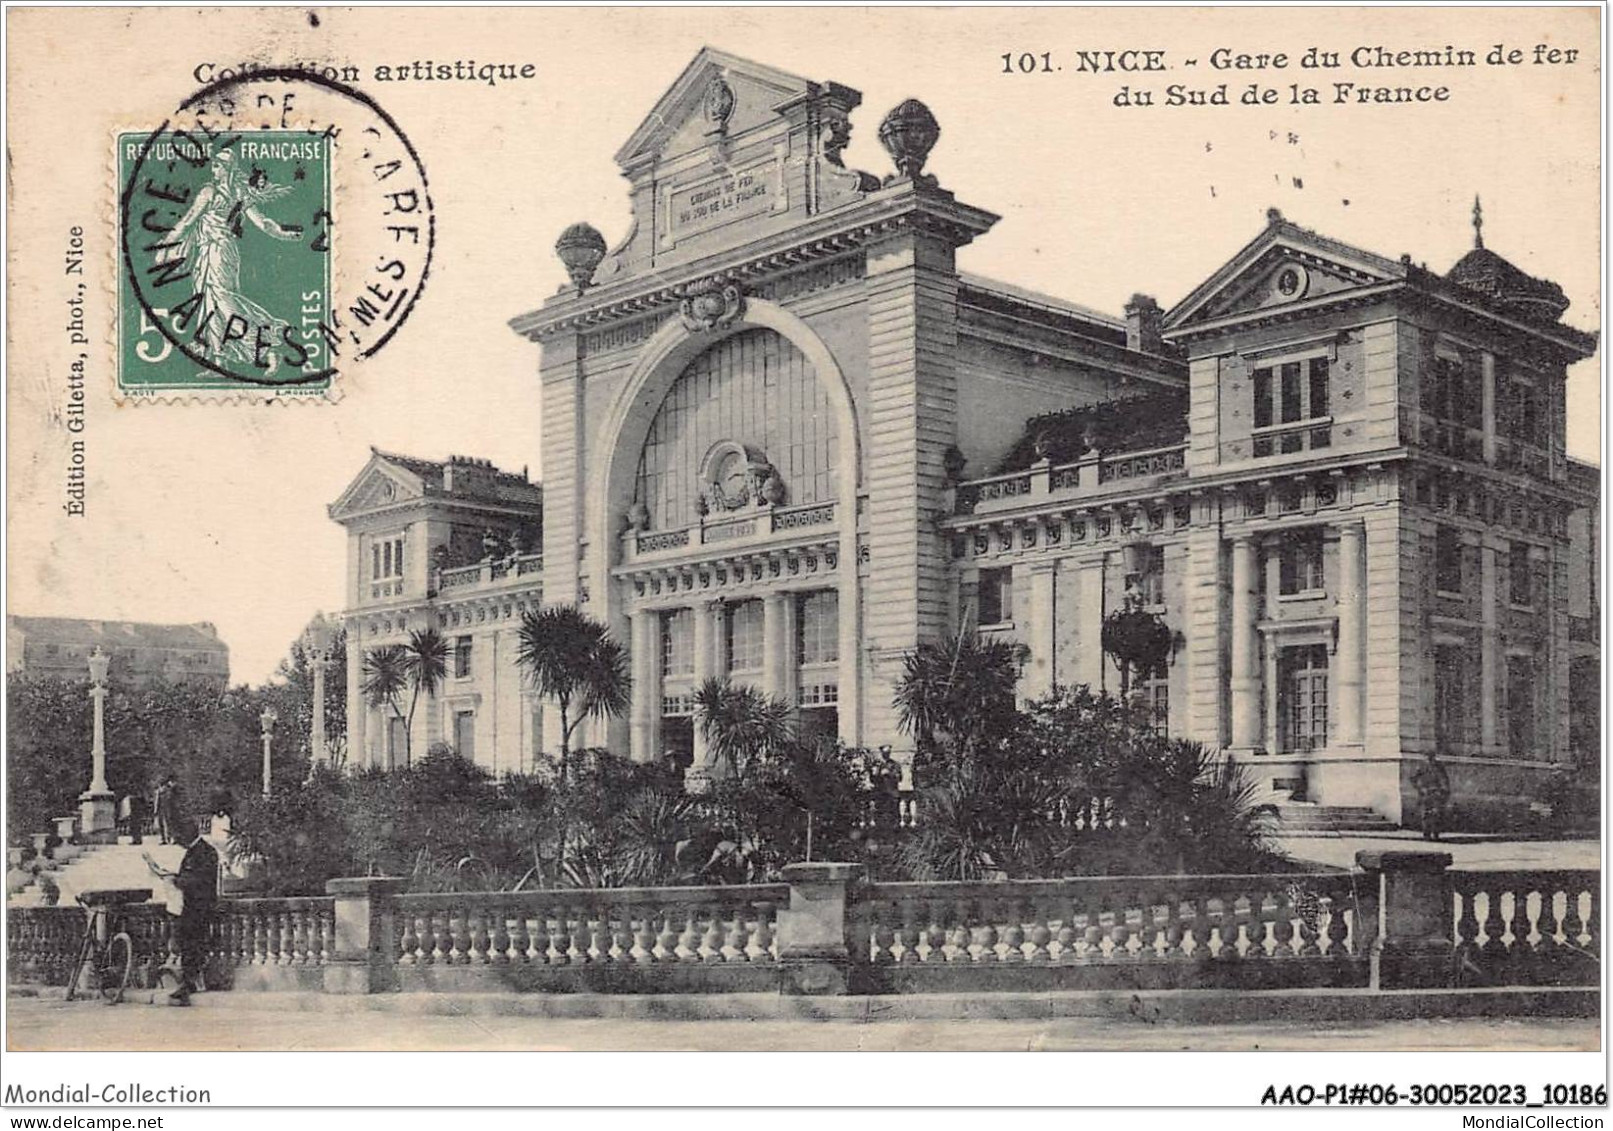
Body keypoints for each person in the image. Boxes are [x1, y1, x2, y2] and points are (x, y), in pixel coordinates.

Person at [146, 817, 219, 1006]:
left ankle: (189, 984)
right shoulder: (195, 851)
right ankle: (189, 983)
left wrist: (177, 880)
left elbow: (201, 880)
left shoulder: (205, 852)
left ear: (191, 833)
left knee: (193, 946)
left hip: (199, 907)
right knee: (188, 946)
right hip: (189, 906)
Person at [1412, 752, 1452, 841]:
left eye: (1431, 757)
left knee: (1437, 814)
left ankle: (1436, 834)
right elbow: (1413, 779)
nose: (1429, 759)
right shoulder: (1420, 767)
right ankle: (1427, 834)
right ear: (1425, 757)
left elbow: (1444, 778)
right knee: (1426, 815)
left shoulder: (1439, 766)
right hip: (1425, 794)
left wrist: (1444, 790)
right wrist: (1420, 788)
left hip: (1436, 793)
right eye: (1427, 757)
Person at [153, 777, 181, 845]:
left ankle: (166, 839)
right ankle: (169, 839)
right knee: (168, 825)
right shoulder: (169, 791)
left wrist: (155, 810)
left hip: (164, 810)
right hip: (167, 810)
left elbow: (157, 802)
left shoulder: (161, 791)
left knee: (165, 825)